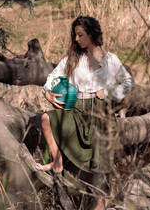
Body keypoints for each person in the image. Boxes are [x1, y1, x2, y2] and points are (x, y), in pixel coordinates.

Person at [36, 16, 134, 209]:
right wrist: (47, 93)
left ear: (91, 34)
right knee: (46, 118)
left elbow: (128, 83)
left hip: (99, 112)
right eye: (75, 36)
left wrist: (108, 93)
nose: (77, 39)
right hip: (75, 109)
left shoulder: (110, 60)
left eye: (80, 35)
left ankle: (100, 204)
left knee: (99, 168)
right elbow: (52, 77)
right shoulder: (73, 59)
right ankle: (57, 161)